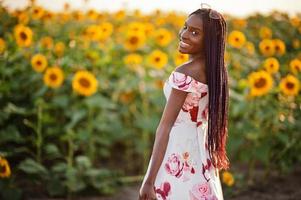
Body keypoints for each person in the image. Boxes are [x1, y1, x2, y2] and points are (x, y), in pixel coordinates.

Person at [139, 5, 229, 200]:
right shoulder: (216, 70)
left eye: (195, 32)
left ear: (209, 42)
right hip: (201, 154)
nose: (185, 34)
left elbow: (165, 126)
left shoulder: (185, 73)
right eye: (185, 27)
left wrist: (149, 181)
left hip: (177, 153)